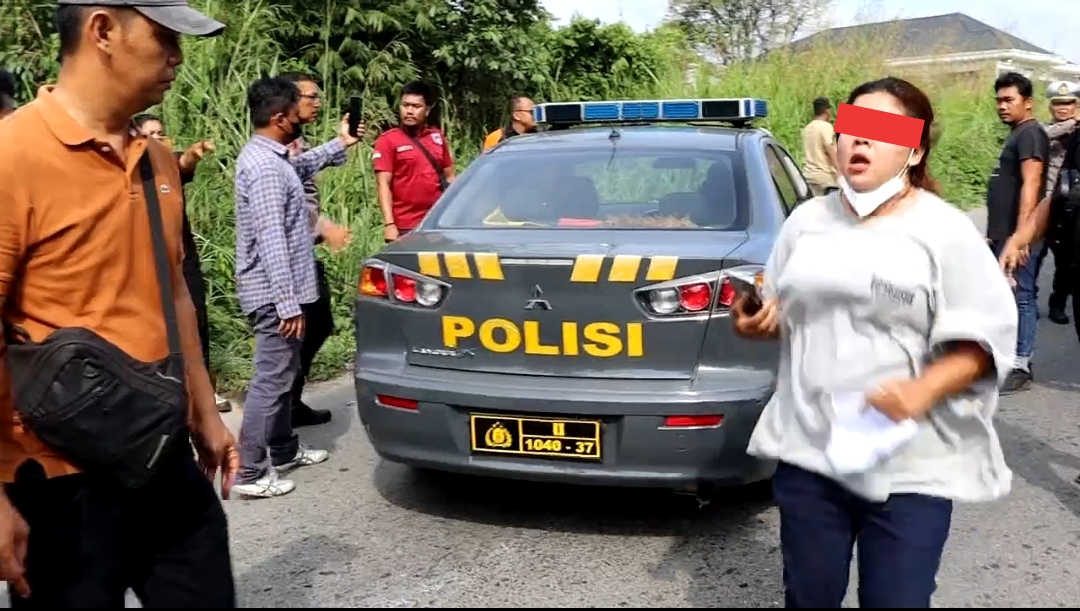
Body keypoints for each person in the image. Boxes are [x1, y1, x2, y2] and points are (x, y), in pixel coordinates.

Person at [739, 76, 1017, 608]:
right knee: (808, 597)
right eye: (851, 128)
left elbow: (983, 343)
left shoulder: (945, 231)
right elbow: (772, 302)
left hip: (910, 466)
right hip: (811, 454)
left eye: (879, 130)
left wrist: (920, 391)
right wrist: (753, 318)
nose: (859, 141)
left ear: (913, 150)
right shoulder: (807, 221)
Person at [0, 1, 237, 607]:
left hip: (159, 450)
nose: (177, 58)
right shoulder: (13, 155)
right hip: (54, 476)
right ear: (103, 31)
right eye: (163, 38)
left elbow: (175, 291)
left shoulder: (157, 158)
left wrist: (205, 412)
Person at [231, 76, 361, 499]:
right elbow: (271, 241)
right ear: (278, 117)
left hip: (287, 293)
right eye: (294, 109)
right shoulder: (266, 168)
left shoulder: (275, 158)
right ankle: (249, 470)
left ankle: (283, 449)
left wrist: (341, 143)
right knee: (271, 381)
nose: (301, 114)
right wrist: (287, 305)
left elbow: (301, 167)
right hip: (274, 296)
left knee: (286, 375)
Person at [133, 112, 231, 411]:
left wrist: (194, 152)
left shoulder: (167, 166)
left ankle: (204, 392)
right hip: (146, 267)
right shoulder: (126, 171)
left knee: (197, 324)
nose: (160, 139)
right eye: (152, 134)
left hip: (183, 262)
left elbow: (184, 162)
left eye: (163, 133)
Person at [279, 71, 354, 429]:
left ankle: (289, 399)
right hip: (290, 256)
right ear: (289, 101)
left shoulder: (297, 139)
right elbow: (290, 184)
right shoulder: (281, 147)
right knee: (301, 330)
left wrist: (341, 142)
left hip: (304, 249)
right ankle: (282, 405)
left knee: (317, 324)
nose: (317, 102)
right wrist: (324, 228)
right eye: (311, 96)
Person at [986, 71, 1049, 394]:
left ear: (1028, 103)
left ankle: (1021, 363)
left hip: (1019, 237)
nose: (1002, 106)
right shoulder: (1017, 134)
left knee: (1022, 297)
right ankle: (1005, 356)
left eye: (1009, 100)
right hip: (1005, 235)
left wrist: (1022, 236)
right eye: (998, 100)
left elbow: (1032, 184)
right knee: (1005, 297)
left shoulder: (1031, 134)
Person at [373, 80, 455, 242]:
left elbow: (450, 178)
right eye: (405, 105)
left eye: (416, 107)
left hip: (436, 223)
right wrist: (389, 224)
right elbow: (383, 184)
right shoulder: (388, 140)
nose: (409, 111)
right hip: (405, 226)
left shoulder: (437, 137)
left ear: (427, 110)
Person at [1037, 81, 1080, 325]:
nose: (1063, 108)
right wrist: (1070, 124)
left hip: (1070, 205)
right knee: (1035, 255)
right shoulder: (1044, 129)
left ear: (1076, 104)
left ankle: (1058, 303)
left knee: (1066, 259)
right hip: (1044, 203)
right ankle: (1025, 302)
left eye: (1068, 103)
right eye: (1058, 103)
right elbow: (1042, 137)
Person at [800, 96, 838, 197]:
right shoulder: (826, 127)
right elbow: (830, 149)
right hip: (825, 178)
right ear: (827, 111)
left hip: (808, 176)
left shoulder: (807, 129)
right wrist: (840, 170)